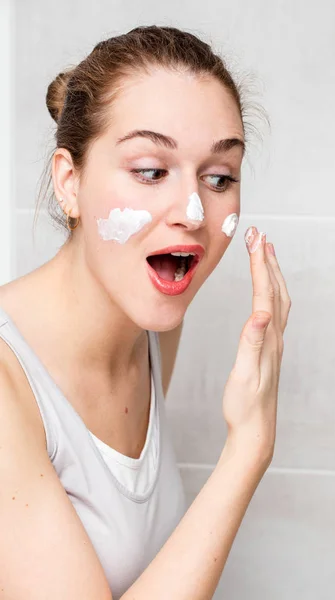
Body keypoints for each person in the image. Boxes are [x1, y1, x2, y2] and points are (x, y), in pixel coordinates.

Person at [0, 25, 291, 600]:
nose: (192, 211)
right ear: (69, 181)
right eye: (151, 171)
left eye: (219, 177)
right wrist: (247, 450)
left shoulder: (152, 326)